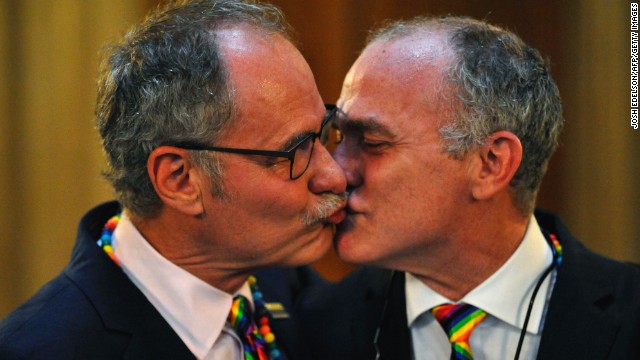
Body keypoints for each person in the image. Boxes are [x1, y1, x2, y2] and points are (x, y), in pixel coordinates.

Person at [0, 0, 347, 359]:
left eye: (322, 132)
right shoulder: (41, 349)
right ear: (180, 180)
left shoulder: (297, 292)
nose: (335, 175)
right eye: (295, 151)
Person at [302, 16, 640, 360]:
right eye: (340, 136)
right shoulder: (315, 329)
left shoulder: (630, 318)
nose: (335, 170)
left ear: (491, 163)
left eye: (372, 142)